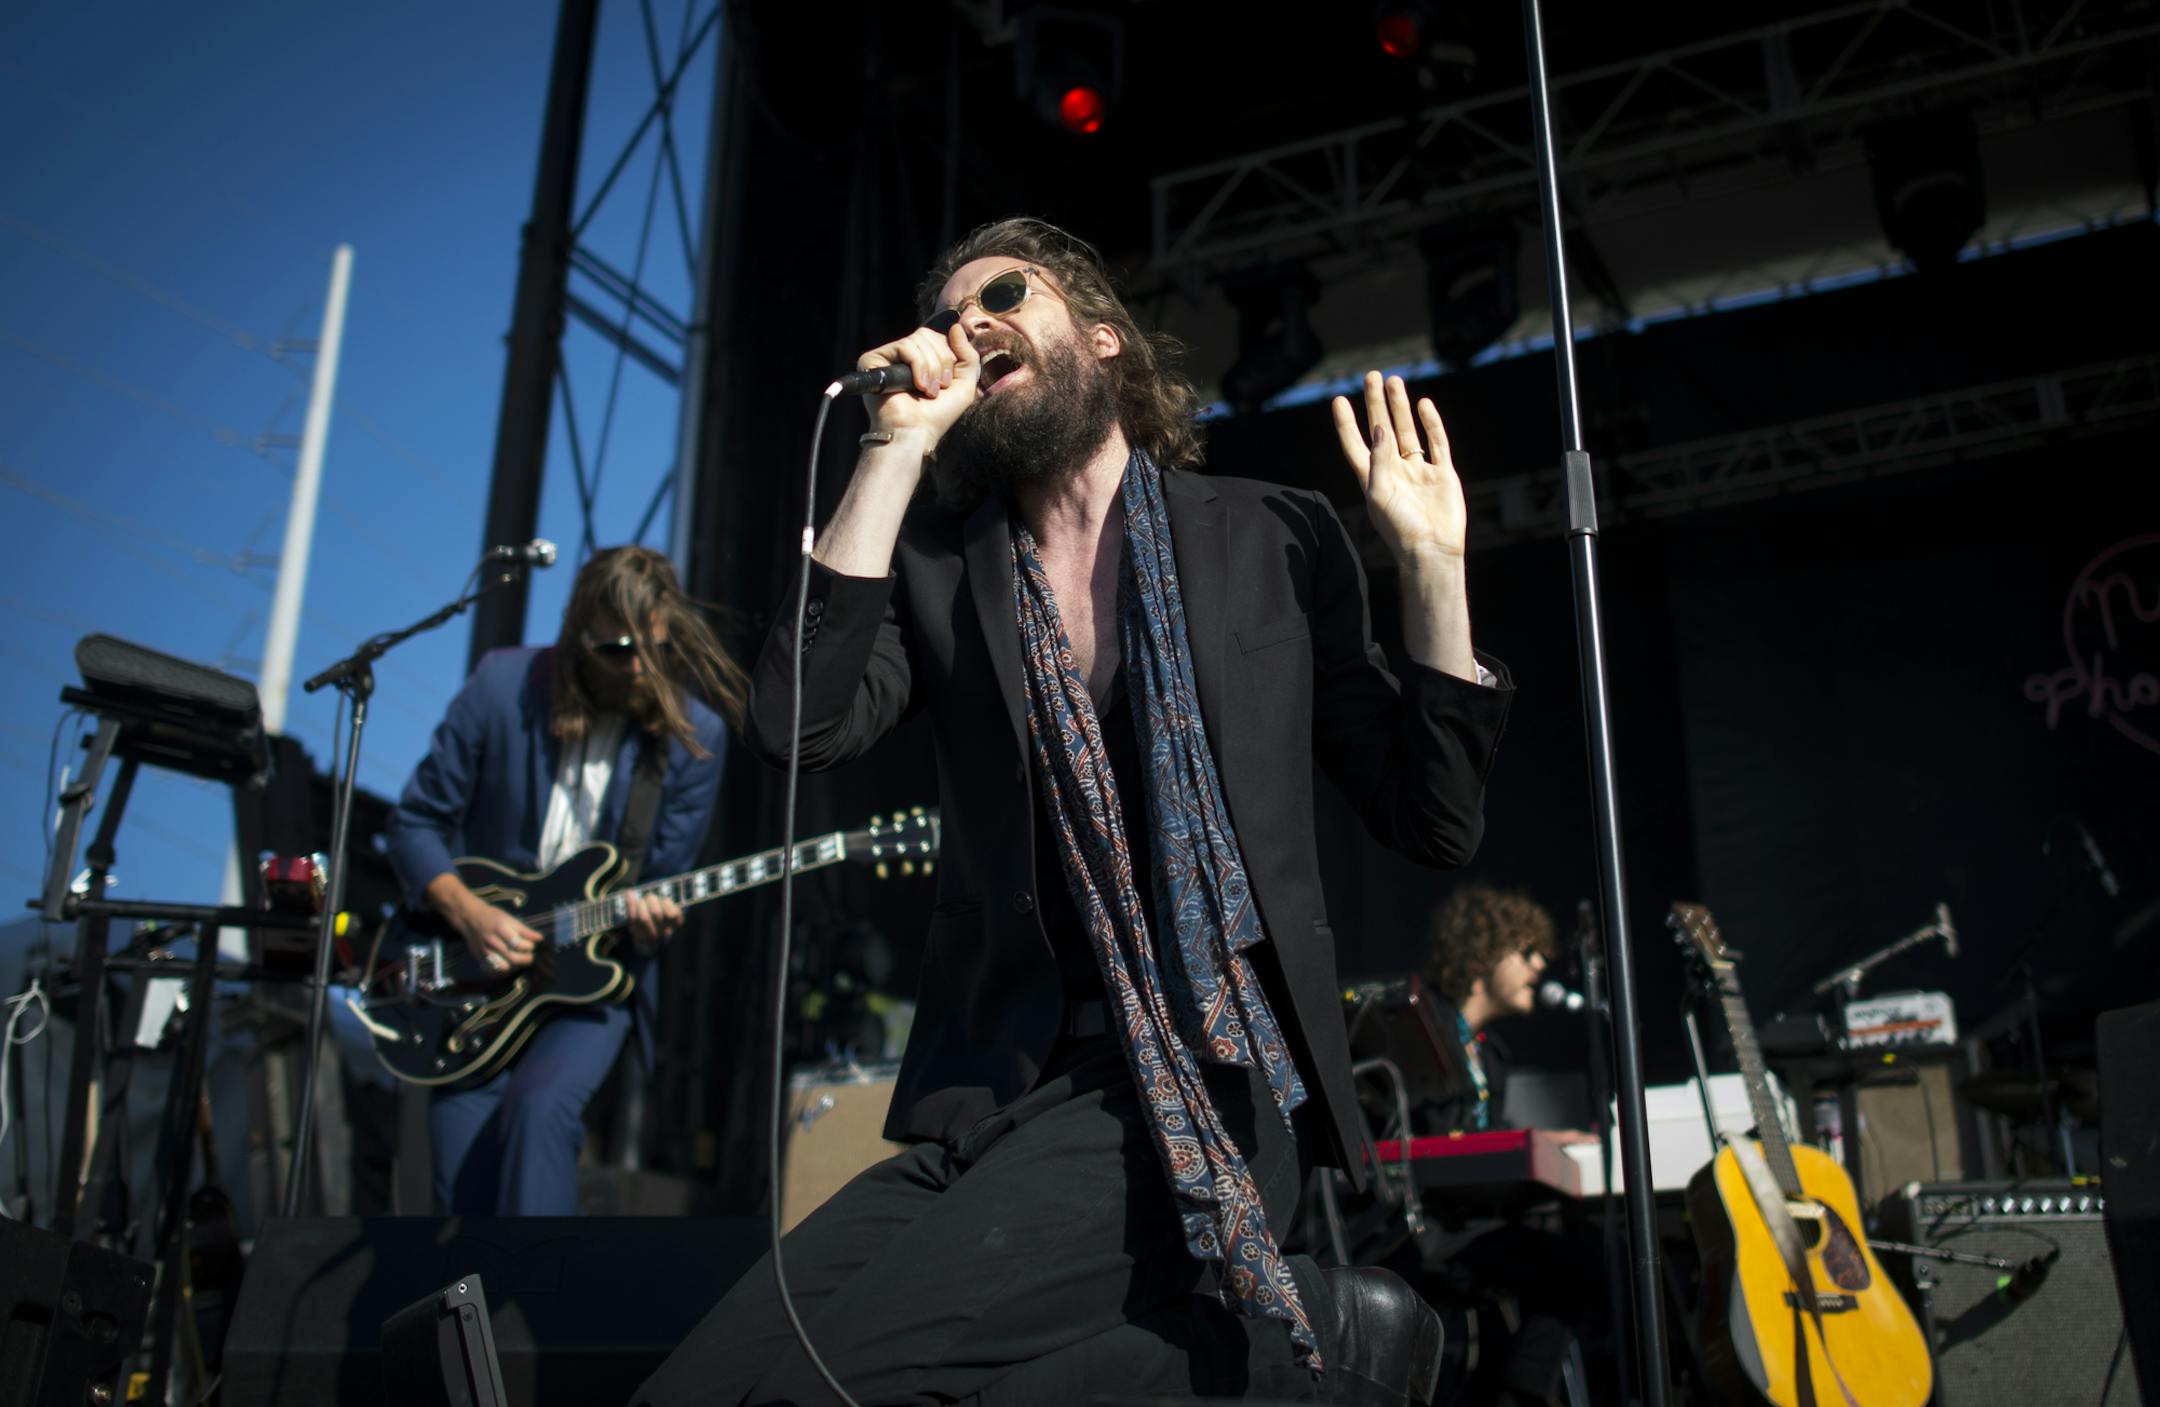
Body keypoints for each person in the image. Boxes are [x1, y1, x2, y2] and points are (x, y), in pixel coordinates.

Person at [635, 217, 1513, 1407]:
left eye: (1003, 292)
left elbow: (1434, 818)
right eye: (947, 316)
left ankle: (1316, 1351)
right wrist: (891, 451)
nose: (967, 323)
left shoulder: (1269, 536)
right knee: (692, 1392)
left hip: (1204, 1076)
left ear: (1102, 341)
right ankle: (1301, 1347)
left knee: (832, 1390)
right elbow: (798, 728)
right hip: (992, 1088)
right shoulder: (943, 566)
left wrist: (1436, 570)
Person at [384, 545, 744, 1216]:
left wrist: (654, 914)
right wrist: (468, 914)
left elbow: (664, 879)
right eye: (617, 650)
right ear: (578, 632)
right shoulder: (502, 686)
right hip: (472, 976)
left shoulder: (696, 738)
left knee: (541, 1109)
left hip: (592, 980)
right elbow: (412, 826)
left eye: (653, 649)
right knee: (460, 1184)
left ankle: (538, 1313)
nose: (637, 666)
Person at [1412, 884, 1558, 1135]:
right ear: (1482, 953)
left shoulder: (1491, 1051)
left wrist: (1540, 1143)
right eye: (1527, 952)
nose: (1539, 964)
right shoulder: (1425, 1030)